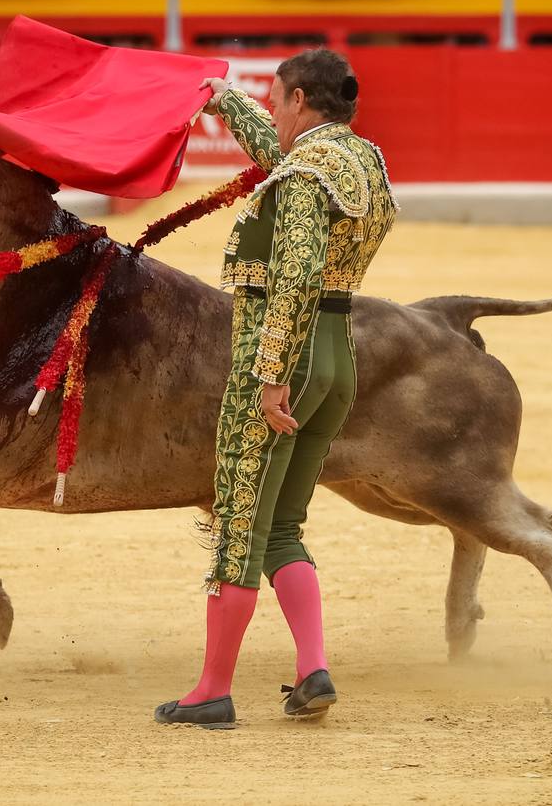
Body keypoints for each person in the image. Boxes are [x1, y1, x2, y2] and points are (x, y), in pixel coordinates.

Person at [154, 50, 397, 731]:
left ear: (296, 100)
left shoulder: (302, 177)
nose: (275, 115)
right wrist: (226, 100)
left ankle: (212, 691)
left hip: (284, 361)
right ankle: (313, 669)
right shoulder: (361, 162)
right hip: (336, 358)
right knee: (282, 521)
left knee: (238, 522)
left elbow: (292, 277)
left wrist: (267, 378)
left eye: (274, 101)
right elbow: (286, 158)